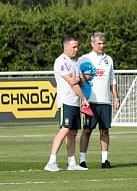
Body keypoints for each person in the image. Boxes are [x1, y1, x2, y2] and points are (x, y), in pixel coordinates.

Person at [44, 35, 89, 172]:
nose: (76, 49)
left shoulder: (74, 63)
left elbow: (81, 81)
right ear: (66, 47)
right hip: (67, 101)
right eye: (74, 46)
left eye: (77, 46)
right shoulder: (61, 61)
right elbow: (72, 82)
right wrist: (84, 98)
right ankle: (51, 161)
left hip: (75, 102)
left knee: (73, 133)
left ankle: (71, 162)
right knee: (64, 129)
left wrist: (78, 78)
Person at [78, 32, 120, 169]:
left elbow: (112, 80)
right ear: (92, 44)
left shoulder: (109, 59)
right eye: (98, 43)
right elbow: (78, 78)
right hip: (90, 101)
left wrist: (116, 97)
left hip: (105, 101)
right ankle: (82, 160)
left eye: (103, 43)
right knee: (87, 130)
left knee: (105, 130)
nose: (101, 46)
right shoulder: (84, 59)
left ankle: (105, 160)